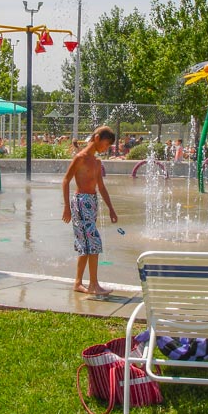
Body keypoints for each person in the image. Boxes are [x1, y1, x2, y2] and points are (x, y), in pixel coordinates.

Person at [61, 125, 118, 296]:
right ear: (97, 138)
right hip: (80, 202)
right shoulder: (80, 158)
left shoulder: (97, 162)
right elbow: (66, 180)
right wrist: (66, 207)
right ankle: (93, 284)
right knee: (94, 241)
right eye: (106, 144)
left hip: (92, 202)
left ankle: (78, 283)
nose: (105, 148)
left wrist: (111, 209)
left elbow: (101, 187)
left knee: (86, 244)